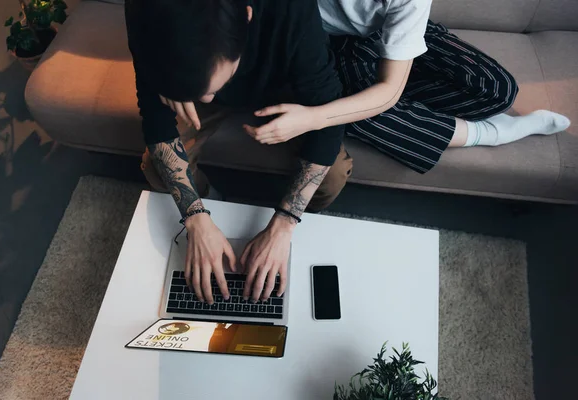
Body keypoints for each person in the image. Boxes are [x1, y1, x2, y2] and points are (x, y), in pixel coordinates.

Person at [125, 0, 350, 305]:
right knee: (156, 166)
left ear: (247, 15)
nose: (208, 97)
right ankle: (213, 210)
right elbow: (155, 119)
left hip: (284, 95)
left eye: (217, 84)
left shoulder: (292, 9)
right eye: (203, 92)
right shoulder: (146, 12)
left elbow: (328, 120)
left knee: (332, 175)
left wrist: (284, 224)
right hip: (187, 83)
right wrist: (195, 218)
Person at [247, 0, 571, 174]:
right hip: (321, 46)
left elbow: (388, 89)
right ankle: (493, 133)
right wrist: (318, 116)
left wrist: (313, 119)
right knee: (350, 112)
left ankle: (403, 110)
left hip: (382, 35)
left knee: (497, 89)